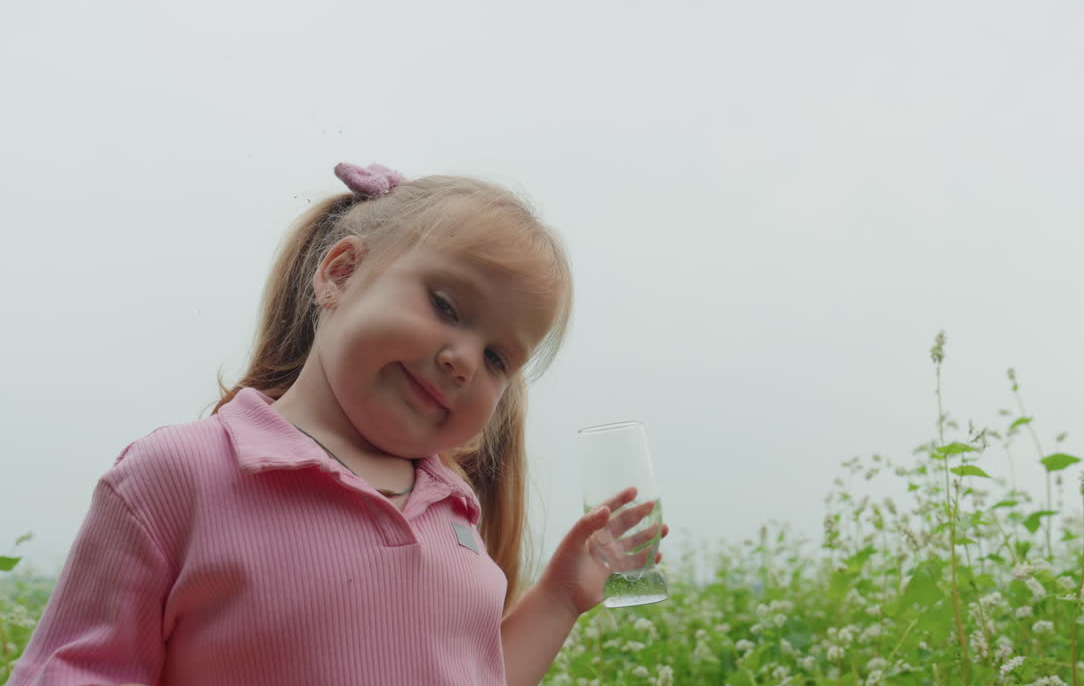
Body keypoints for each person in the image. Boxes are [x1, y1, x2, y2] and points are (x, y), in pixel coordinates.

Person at [10, 163, 667, 686]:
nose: (464, 360)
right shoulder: (181, 475)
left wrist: (558, 597)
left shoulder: (454, 517)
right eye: (445, 304)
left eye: (499, 357)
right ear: (341, 273)